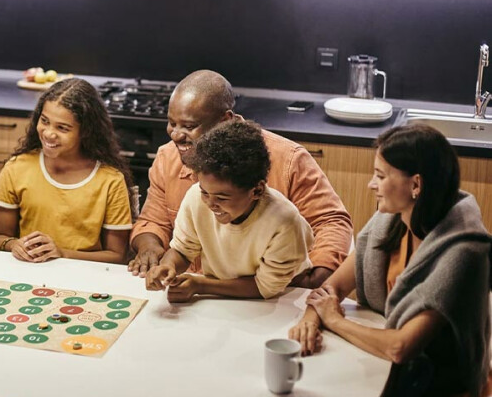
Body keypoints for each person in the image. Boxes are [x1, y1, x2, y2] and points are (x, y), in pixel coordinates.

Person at [288, 124, 491, 396]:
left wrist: (334, 321)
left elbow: (400, 347)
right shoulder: (390, 221)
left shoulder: (464, 253)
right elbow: (332, 287)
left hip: (436, 384)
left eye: (380, 176)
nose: (371, 184)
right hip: (381, 362)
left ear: (415, 184)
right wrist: (311, 319)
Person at [129, 70, 352, 288]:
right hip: (194, 290)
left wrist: (317, 275)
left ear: (226, 120)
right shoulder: (167, 157)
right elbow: (154, 221)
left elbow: (331, 222)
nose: (176, 135)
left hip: (268, 294)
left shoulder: (288, 159)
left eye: (189, 126)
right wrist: (149, 246)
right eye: (171, 123)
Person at [145, 120, 313, 300]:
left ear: (256, 190)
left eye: (222, 198)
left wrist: (200, 285)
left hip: (283, 297)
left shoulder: (284, 221)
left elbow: (264, 287)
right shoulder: (196, 198)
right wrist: (168, 266)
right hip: (223, 293)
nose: (210, 203)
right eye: (205, 192)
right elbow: (182, 251)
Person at [0, 78, 134, 264]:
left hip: (87, 278)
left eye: (62, 128)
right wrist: (13, 245)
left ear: (86, 132)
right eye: (44, 121)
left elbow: (117, 256)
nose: (49, 133)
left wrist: (61, 253)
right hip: (30, 273)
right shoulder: (17, 167)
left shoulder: (110, 180)